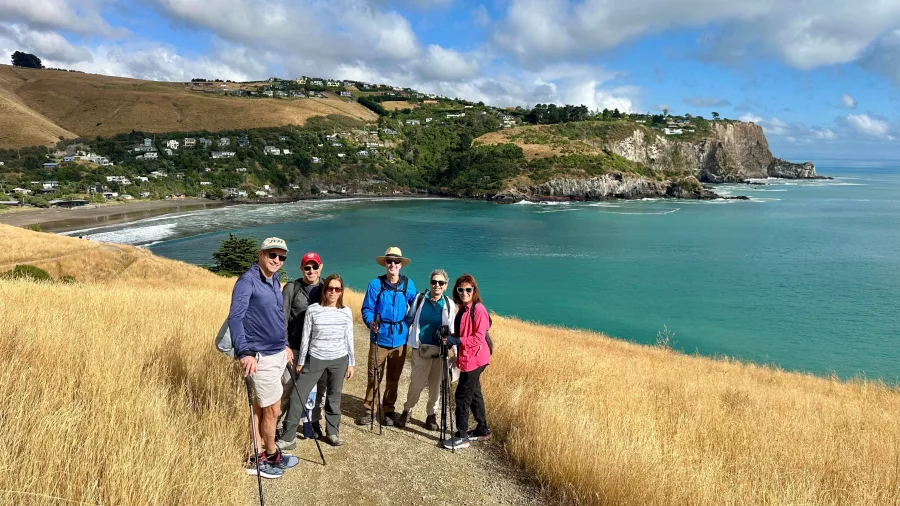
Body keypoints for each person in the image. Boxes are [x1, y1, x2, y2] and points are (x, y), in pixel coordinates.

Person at [227, 237, 299, 479]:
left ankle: (255, 454)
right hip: (261, 356)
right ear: (260, 254)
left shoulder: (274, 280)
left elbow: (276, 316)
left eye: (281, 257)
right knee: (273, 410)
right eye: (272, 255)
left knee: (261, 407)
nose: (277, 260)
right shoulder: (247, 282)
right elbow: (235, 319)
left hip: (278, 352)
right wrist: (244, 352)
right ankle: (270, 453)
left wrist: (285, 345)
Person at [279, 274, 355, 447]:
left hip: (339, 359)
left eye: (337, 289)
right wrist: (301, 361)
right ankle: (288, 437)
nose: (333, 292)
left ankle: (333, 433)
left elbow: (348, 338)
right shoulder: (313, 310)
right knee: (298, 396)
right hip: (315, 358)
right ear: (324, 289)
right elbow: (306, 337)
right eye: (330, 288)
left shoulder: (346, 311)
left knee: (333, 398)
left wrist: (351, 362)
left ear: (341, 291)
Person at [357, 247, 417, 426]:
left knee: (393, 377)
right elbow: (367, 308)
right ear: (385, 263)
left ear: (401, 265)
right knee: (374, 375)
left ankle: (388, 410)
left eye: (396, 261)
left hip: (399, 339)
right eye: (389, 261)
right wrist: (370, 323)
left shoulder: (408, 285)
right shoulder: (375, 285)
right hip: (379, 337)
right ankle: (370, 410)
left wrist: (406, 324)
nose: (393, 264)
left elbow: (414, 308)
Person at [395, 269, 456, 431]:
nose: (437, 285)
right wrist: (399, 334)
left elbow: (452, 329)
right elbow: (410, 318)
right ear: (430, 283)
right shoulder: (420, 299)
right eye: (434, 282)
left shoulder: (449, 304)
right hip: (420, 349)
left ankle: (431, 415)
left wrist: (455, 353)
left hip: (440, 352)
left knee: (435, 386)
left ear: (445, 286)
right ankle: (407, 410)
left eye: (441, 283)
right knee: (417, 384)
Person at [277, 252, 327, 449]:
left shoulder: (327, 288)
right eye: (307, 267)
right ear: (302, 269)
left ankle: (312, 423)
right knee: (287, 387)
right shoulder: (292, 288)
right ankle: (280, 425)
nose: (311, 271)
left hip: (318, 350)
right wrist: (284, 345)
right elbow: (281, 317)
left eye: (315, 267)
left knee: (318, 389)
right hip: (294, 348)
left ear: (320, 267)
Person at [439, 274, 492, 450]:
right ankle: (482, 429)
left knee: (462, 397)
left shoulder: (478, 309)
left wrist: (457, 341)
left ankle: (462, 436)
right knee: (475, 393)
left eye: (468, 289)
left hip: (475, 359)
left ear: (474, 290)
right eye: (461, 290)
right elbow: (462, 332)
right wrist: (450, 337)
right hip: (470, 357)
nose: (464, 292)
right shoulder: (462, 308)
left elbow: (478, 337)